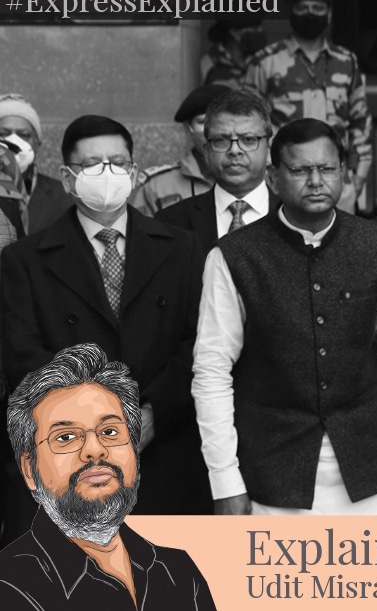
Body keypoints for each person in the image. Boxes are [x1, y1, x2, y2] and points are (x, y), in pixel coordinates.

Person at [190, 118, 377, 516]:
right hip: (271, 474)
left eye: (327, 169)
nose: (316, 181)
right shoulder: (234, 256)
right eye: (300, 170)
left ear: (344, 173)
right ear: (274, 178)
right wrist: (225, 480)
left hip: (368, 469)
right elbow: (212, 372)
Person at [1, 115, 209, 548]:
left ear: (134, 171)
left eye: (117, 162)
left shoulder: (183, 248)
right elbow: (22, 352)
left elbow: (199, 344)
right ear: (68, 175)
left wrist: (150, 412)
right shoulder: (25, 260)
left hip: (165, 449)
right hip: (68, 458)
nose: (107, 173)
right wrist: (98, 424)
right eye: (93, 164)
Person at [0, 344, 216, 610]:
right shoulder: (10, 586)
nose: (95, 450)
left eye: (110, 431)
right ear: (29, 469)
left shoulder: (181, 572)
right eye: (66, 437)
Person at [241, 0, 372, 214]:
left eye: (317, 9)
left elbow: (360, 121)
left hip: (337, 180)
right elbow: (248, 126)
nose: (310, 14)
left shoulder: (346, 61)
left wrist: (360, 175)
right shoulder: (265, 61)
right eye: (302, 9)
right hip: (284, 181)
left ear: (328, 14)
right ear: (291, 14)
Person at [157, 89, 278, 251]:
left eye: (248, 140)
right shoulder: (171, 222)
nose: (235, 150)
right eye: (221, 141)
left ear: (269, 149)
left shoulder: (296, 218)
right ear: (206, 152)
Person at [129, 84, 221, 216]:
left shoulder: (256, 180)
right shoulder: (156, 187)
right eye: (202, 122)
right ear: (188, 128)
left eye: (220, 122)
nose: (212, 131)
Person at [0, 93, 74, 236]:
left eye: (24, 135)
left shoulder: (64, 197)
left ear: (36, 143)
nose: (13, 141)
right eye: (3, 133)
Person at [200, 18, 266, 88]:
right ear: (234, 32)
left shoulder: (261, 61)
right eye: (254, 28)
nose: (260, 30)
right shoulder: (209, 64)